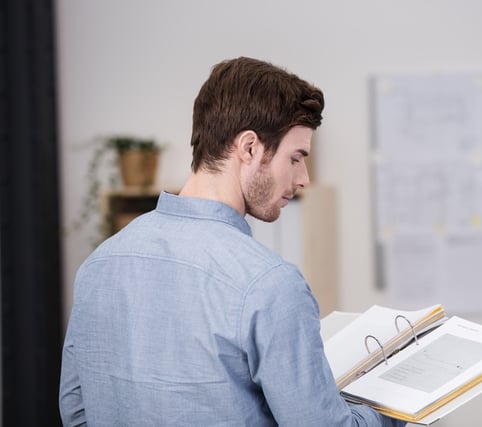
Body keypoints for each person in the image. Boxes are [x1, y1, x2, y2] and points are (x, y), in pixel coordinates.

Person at [59, 57, 405, 426]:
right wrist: (398, 412)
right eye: (296, 158)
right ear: (250, 148)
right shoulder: (269, 284)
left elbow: (76, 412)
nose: (303, 178)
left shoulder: (100, 263)